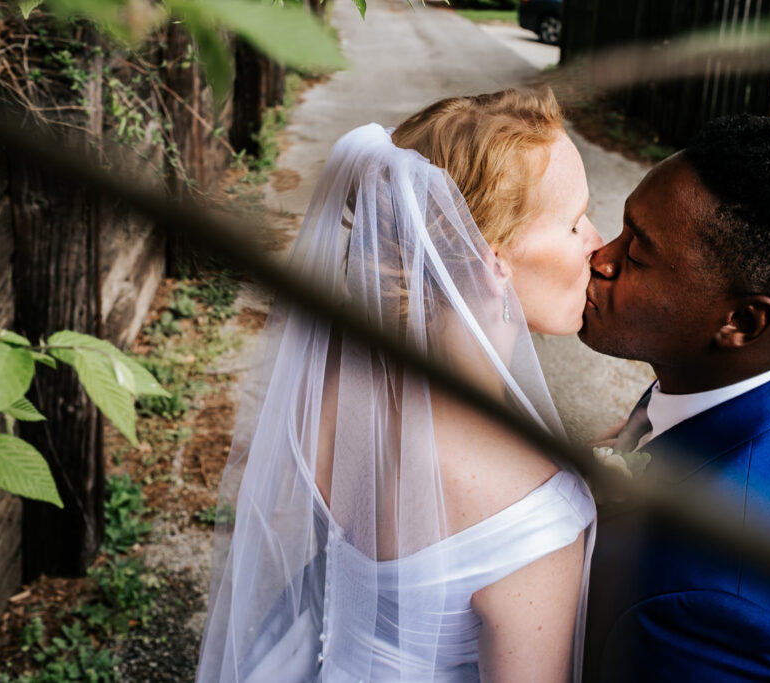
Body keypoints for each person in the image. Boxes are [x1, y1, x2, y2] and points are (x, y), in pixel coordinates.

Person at [197, 89, 603, 682]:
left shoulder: (329, 386)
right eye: (574, 222)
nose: (596, 242)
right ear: (493, 260)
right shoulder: (535, 514)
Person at [579, 114, 770, 681]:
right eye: (623, 229)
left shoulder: (723, 614)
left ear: (741, 321)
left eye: (638, 255)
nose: (600, 258)